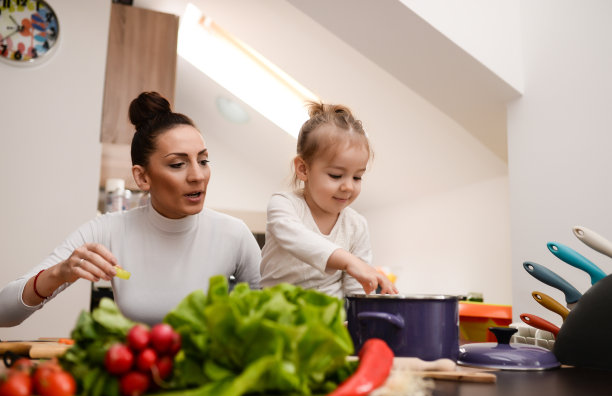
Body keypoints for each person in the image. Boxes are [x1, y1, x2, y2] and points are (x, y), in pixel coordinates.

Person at [0, 92, 261, 327]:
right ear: (142, 177)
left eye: (203, 160)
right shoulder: (107, 230)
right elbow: (4, 313)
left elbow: (268, 320)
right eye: (178, 164)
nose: (197, 175)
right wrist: (60, 272)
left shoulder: (234, 234)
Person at [260, 102, 398, 298]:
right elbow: (299, 240)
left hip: (328, 318)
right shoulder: (283, 204)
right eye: (335, 175)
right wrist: (350, 262)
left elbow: (355, 291)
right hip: (276, 315)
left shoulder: (357, 225)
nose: (349, 186)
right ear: (303, 169)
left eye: (357, 177)